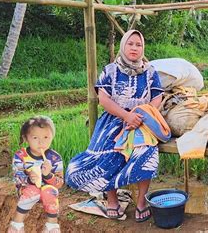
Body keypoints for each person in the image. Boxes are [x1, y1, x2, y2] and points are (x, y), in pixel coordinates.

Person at [65, 30, 164, 223]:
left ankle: (142, 203)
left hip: (142, 120)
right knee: (107, 152)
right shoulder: (110, 70)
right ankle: (112, 200)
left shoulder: (150, 71)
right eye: (131, 44)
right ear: (123, 46)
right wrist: (126, 116)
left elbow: (157, 97)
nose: (134, 48)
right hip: (113, 119)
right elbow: (103, 99)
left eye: (138, 44)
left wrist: (142, 115)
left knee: (146, 154)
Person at [8, 116, 64, 233]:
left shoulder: (55, 158)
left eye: (46, 137)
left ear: (52, 137)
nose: (41, 142)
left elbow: (59, 184)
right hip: (26, 189)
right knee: (33, 190)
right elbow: (17, 178)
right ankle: (17, 224)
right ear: (26, 138)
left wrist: (48, 175)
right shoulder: (20, 156)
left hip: (47, 192)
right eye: (35, 138)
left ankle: (51, 226)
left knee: (50, 190)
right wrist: (29, 179)